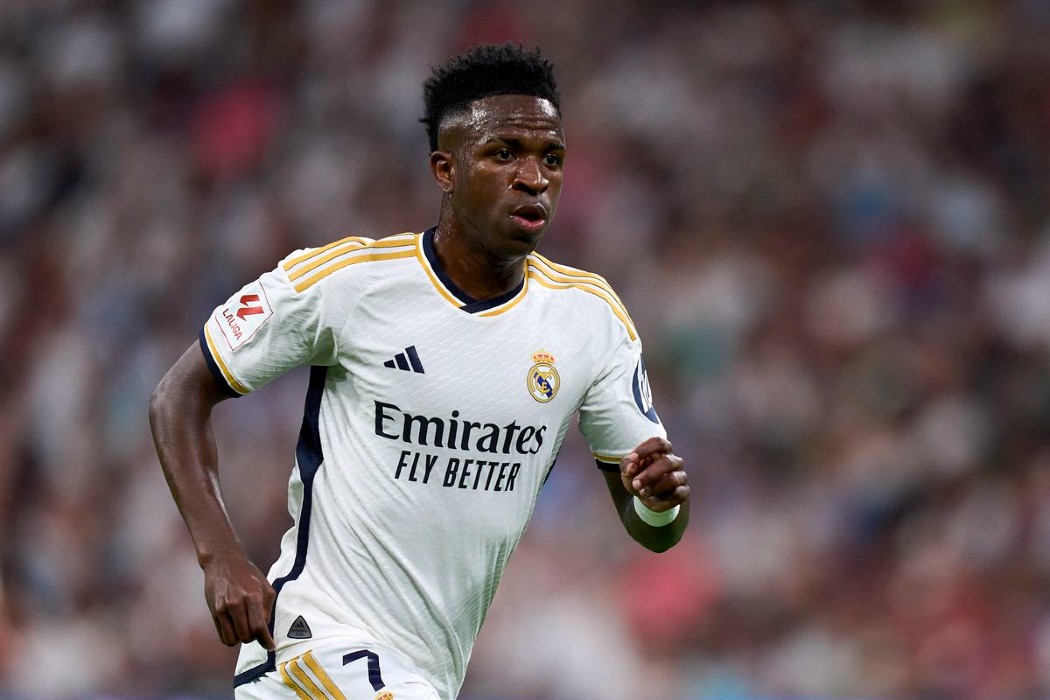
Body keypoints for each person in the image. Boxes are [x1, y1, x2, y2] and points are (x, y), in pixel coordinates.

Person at [149, 43, 689, 700]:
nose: (533, 177)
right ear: (445, 169)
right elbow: (178, 394)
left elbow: (653, 527)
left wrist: (659, 501)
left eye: (551, 159)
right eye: (504, 154)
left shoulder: (591, 321)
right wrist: (221, 557)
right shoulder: (351, 283)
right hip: (312, 650)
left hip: (423, 676)